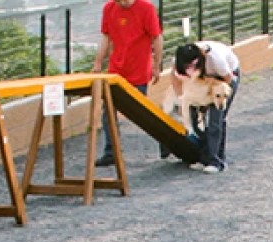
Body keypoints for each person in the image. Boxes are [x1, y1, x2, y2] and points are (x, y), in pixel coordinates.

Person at [91, 0, 163, 168]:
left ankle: (165, 139)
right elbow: (106, 38)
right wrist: (98, 63)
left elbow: (156, 37)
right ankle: (111, 152)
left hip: (139, 69)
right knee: (108, 110)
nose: (122, 3)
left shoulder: (146, 8)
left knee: (140, 112)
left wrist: (157, 65)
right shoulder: (109, 8)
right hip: (116, 69)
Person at [170, 40, 240, 172]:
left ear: (197, 61)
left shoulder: (215, 59)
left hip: (224, 78)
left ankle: (217, 161)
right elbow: (175, 78)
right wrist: (181, 97)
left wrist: (212, 99)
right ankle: (203, 157)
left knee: (216, 119)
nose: (189, 70)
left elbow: (228, 80)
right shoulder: (181, 60)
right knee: (195, 119)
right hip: (203, 80)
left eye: (191, 66)